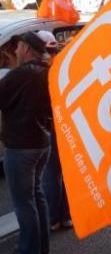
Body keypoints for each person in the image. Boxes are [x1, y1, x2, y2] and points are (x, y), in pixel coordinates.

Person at [0, 32, 52, 254]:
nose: (15, 51)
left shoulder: (20, 74)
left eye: (18, 46)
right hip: (42, 143)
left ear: (28, 49)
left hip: (21, 146)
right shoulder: (47, 71)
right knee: (36, 196)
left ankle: (29, 249)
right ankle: (41, 246)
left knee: (24, 203)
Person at [36, 31, 73, 232]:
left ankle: (53, 218)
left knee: (51, 174)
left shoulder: (44, 68)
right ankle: (65, 216)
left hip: (52, 124)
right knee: (64, 173)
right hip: (67, 123)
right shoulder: (65, 62)